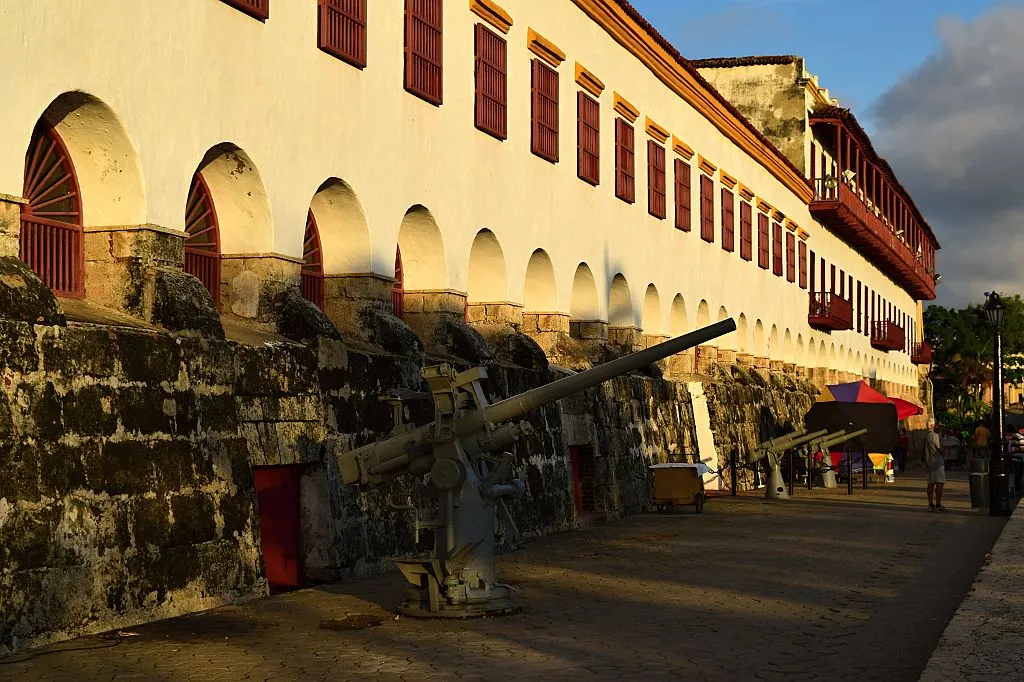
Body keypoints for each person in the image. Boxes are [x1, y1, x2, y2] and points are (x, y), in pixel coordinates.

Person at [923, 418, 946, 511]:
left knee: (930, 484)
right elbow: (939, 448)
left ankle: (930, 504)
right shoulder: (934, 435)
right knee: (939, 483)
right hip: (937, 462)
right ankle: (938, 504)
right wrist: (944, 452)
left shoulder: (926, 435)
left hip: (928, 462)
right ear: (932, 425)